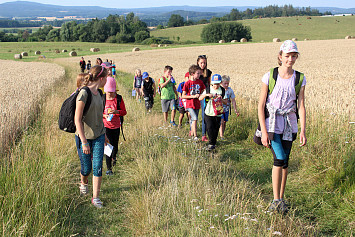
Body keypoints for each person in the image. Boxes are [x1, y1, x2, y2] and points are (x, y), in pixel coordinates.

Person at [257, 40, 307, 214]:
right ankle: (275, 200)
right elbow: (261, 105)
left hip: (289, 124)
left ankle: (281, 199)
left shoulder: (300, 78)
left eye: (293, 56)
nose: (290, 59)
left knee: (285, 162)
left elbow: (301, 105)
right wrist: (264, 132)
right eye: (287, 56)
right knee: (278, 158)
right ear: (280, 56)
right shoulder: (270, 76)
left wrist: (303, 130)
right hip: (271, 123)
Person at [74, 65, 109, 208]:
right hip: (84, 137)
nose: (107, 80)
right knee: (86, 168)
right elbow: (77, 119)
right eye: (106, 77)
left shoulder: (100, 94)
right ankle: (83, 182)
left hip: (99, 135)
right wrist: (84, 142)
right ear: (101, 78)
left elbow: (99, 116)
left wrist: (105, 134)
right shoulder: (84, 93)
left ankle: (96, 198)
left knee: (98, 166)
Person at [103, 77, 127, 176]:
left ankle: (114, 158)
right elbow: (97, 112)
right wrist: (104, 115)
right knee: (108, 146)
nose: (110, 93)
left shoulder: (119, 98)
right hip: (105, 126)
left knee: (115, 146)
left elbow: (124, 112)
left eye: (112, 91)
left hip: (116, 126)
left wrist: (116, 112)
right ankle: (109, 168)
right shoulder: (102, 98)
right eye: (108, 91)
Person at [199, 74, 227, 151]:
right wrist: (206, 95)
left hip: (218, 113)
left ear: (220, 83)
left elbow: (226, 102)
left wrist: (221, 99)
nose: (216, 86)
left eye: (218, 84)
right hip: (208, 112)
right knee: (209, 128)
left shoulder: (222, 90)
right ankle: (211, 144)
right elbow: (200, 98)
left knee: (216, 129)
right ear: (212, 83)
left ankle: (213, 143)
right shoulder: (208, 89)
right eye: (215, 84)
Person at [182, 65, 205, 140]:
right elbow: (183, 96)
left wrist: (202, 95)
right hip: (190, 104)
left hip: (197, 104)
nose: (199, 75)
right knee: (194, 119)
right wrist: (193, 96)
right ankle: (195, 136)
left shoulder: (200, 82)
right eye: (198, 73)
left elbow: (203, 90)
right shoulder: (187, 83)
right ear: (192, 74)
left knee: (194, 119)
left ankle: (191, 133)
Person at [197, 55, 212, 142]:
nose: (203, 65)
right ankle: (193, 130)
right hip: (195, 95)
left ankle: (204, 135)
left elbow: (209, 84)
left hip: (204, 96)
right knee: (193, 115)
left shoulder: (208, 72)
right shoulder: (195, 72)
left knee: (204, 115)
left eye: (204, 63)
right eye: (201, 63)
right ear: (198, 63)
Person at [219, 75, 240, 139]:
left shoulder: (230, 90)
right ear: (221, 83)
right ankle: (221, 136)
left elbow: (233, 100)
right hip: (220, 108)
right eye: (225, 83)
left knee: (225, 122)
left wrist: (235, 110)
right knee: (221, 122)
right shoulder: (219, 90)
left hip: (227, 109)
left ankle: (222, 133)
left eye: (227, 83)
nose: (226, 85)